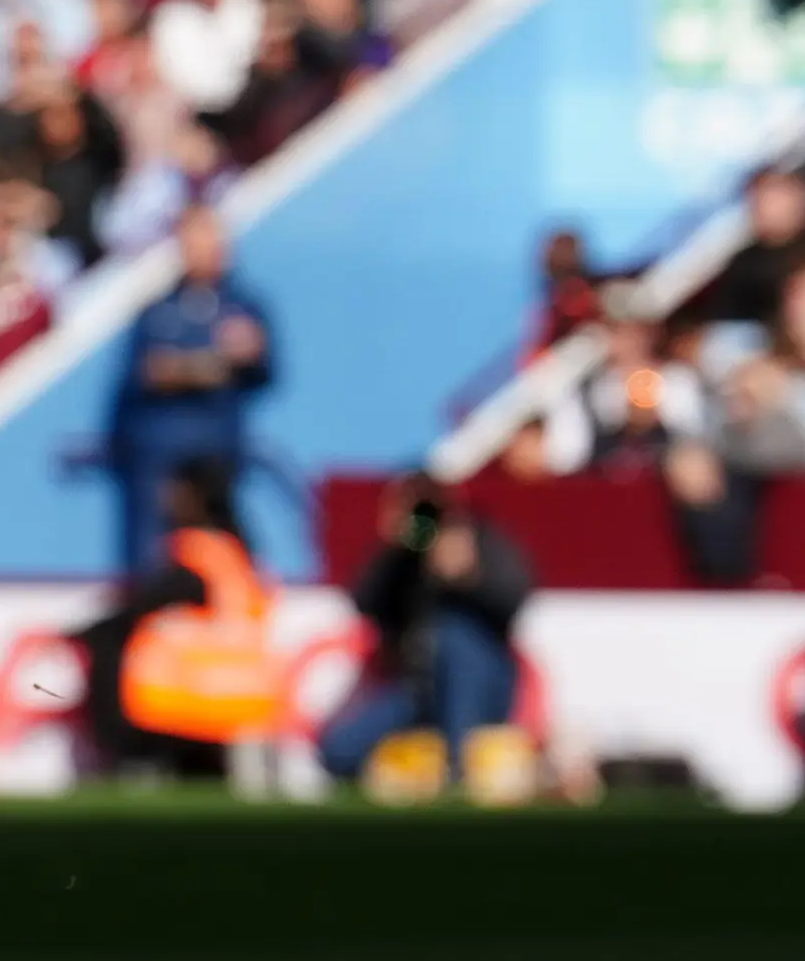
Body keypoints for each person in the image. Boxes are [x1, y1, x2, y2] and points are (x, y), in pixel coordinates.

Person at [316, 477, 536, 793]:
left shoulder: (480, 539)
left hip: (482, 686)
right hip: (418, 690)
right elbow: (364, 603)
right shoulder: (403, 559)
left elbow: (514, 599)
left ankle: (459, 765)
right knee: (338, 750)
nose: (424, 523)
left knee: (453, 638)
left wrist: (469, 576)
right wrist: (395, 550)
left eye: (429, 512)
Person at [107, 205, 275, 571]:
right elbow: (150, 371)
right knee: (154, 558)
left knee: (225, 552)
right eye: (194, 241)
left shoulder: (243, 308)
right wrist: (214, 364)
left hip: (218, 456)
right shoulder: (159, 309)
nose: (203, 250)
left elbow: (262, 368)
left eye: (210, 240)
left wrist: (193, 366)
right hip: (161, 456)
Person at [79, 463, 271, 780]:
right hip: (250, 687)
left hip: (196, 687)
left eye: (174, 490)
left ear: (196, 496)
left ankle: (125, 759)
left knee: (109, 643)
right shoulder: (236, 551)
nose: (165, 498)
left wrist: (85, 632)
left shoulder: (198, 550)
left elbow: (147, 603)